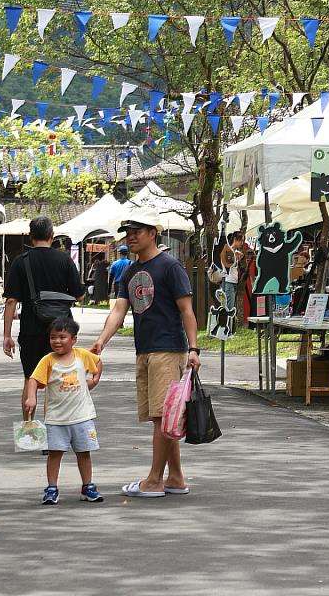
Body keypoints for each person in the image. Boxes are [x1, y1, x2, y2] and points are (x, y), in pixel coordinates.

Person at [90, 209, 201, 498]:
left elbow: (187, 310)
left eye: (137, 231)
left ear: (153, 233)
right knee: (163, 417)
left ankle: (154, 480)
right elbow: (118, 310)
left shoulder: (169, 266)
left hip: (169, 349)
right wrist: (102, 340)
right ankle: (175, 477)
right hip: (144, 350)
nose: (131, 237)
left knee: (164, 416)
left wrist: (193, 348)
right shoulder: (129, 271)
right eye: (128, 232)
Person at [3, 216, 86, 418]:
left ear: (30, 237)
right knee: (55, 380)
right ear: (52, 235)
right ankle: (53, 431)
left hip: (30, 329)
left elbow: (11, 301)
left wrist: (7, 335)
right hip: (60, 331)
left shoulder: (20, 262)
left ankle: (30, 432)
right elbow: (80, 294)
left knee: (30, 379)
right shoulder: (64, 260)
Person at [24, 317, 104, 505]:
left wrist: (94, 380)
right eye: (53, 337)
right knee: (55, 453)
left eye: (62, 337)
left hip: (82, 417)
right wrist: (31, 397)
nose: (57, 341)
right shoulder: (48, 360)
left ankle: (88, 487)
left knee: (84, 452)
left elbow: (98, 363)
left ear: (74, 339)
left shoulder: (82, 355)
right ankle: (52, 488)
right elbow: (33, 379)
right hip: (56, 419)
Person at [220, 231, 245, 311]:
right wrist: (235, 258)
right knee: (229, 308)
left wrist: (237, 258)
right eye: (241, 240)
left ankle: (230, 322)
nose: (242, 243)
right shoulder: (228, 250)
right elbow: (227, 265)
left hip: (233, 281)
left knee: (231, 306)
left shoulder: (234, 252)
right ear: (235, 239)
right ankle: (227, 323)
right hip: (228, 281)